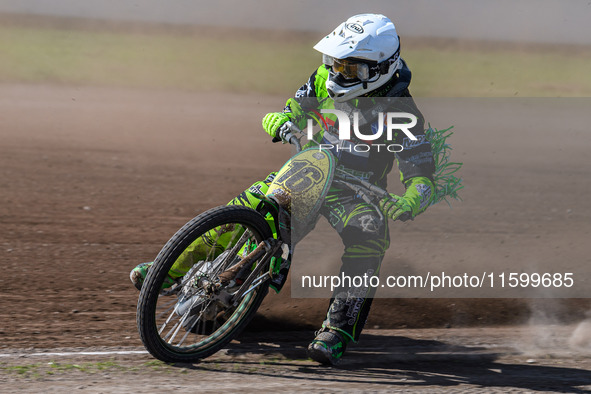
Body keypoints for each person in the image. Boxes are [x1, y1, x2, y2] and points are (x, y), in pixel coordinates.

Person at [131, 13, 436, 365]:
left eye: (349, 69)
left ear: (379, 69)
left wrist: (412, 199)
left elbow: (422, 175)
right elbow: (295, 108)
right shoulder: (324, 78)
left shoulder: (404, 114)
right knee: (249, 205)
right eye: (334, 64)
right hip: (311, 166)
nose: (337, 74)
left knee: (370, 234)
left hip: (357, 190)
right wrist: (281, 119)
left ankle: (337, 331)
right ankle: (168, 270)